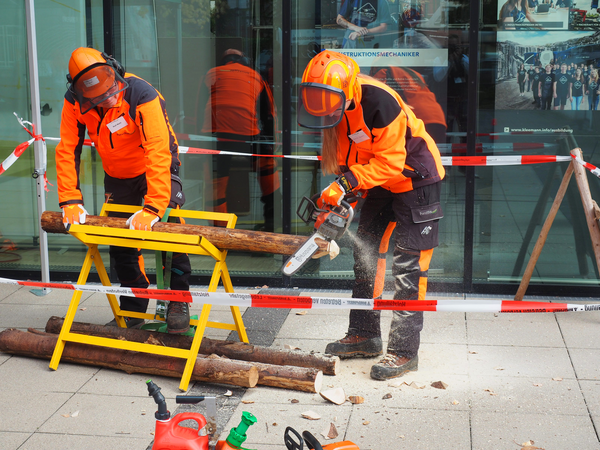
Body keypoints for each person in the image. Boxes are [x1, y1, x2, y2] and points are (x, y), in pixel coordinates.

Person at [297, 51, 445, 380]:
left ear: (348, 90)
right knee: (366, 251)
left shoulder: (381, 102)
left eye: (331, 99)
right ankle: (365, 335)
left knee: (409, 264)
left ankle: (405, 351)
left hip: (415, 178)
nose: (326, 106)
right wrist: (340, 197)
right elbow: (355, 159)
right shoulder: (336, 110)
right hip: (380, 180)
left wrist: (347, 183)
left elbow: (391, 162)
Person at [55, 47, 192, 333]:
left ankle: (178, 300)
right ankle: (134, 303)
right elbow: (68, 148)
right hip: (117, 173)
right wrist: (69, 198)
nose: (111, 99)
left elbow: (157, 148)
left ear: (116, 73)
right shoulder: (74, 102)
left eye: (113, 91)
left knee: (172, 232)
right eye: (101, 99)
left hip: (155, 165)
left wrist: (153, 207)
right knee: (120, 241)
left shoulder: (142, 94)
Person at [196, 49, 280, 231]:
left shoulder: (211, 73)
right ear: (243, 61)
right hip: (248, 134)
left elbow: (199, 108)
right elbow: (269, 114)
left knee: (215, 183)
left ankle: (221, 232)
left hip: (217, 136)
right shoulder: (256, 76)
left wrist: (199, 142)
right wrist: (270, 145)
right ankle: (272, 225)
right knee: (268, 171)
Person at [369, 63, 447, 143]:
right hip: (436, 115)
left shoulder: (384, 71)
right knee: (435, 152)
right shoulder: (413, 73)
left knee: (414, 152)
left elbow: (376, 95)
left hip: (417, 116)